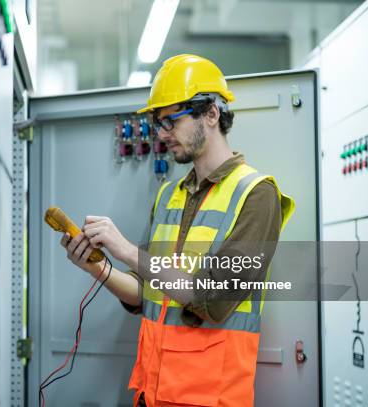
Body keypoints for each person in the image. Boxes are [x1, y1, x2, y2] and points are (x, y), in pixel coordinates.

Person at [60, 54, 295, 407]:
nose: (162, 133)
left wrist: (126, 251)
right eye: (158, 123)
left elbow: (213, 299)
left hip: (210, 398)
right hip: (151, 393)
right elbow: (144, 293)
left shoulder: (258, 194)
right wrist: (98, 267)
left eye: (170, 121)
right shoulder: (170, 195)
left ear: (212, 114)